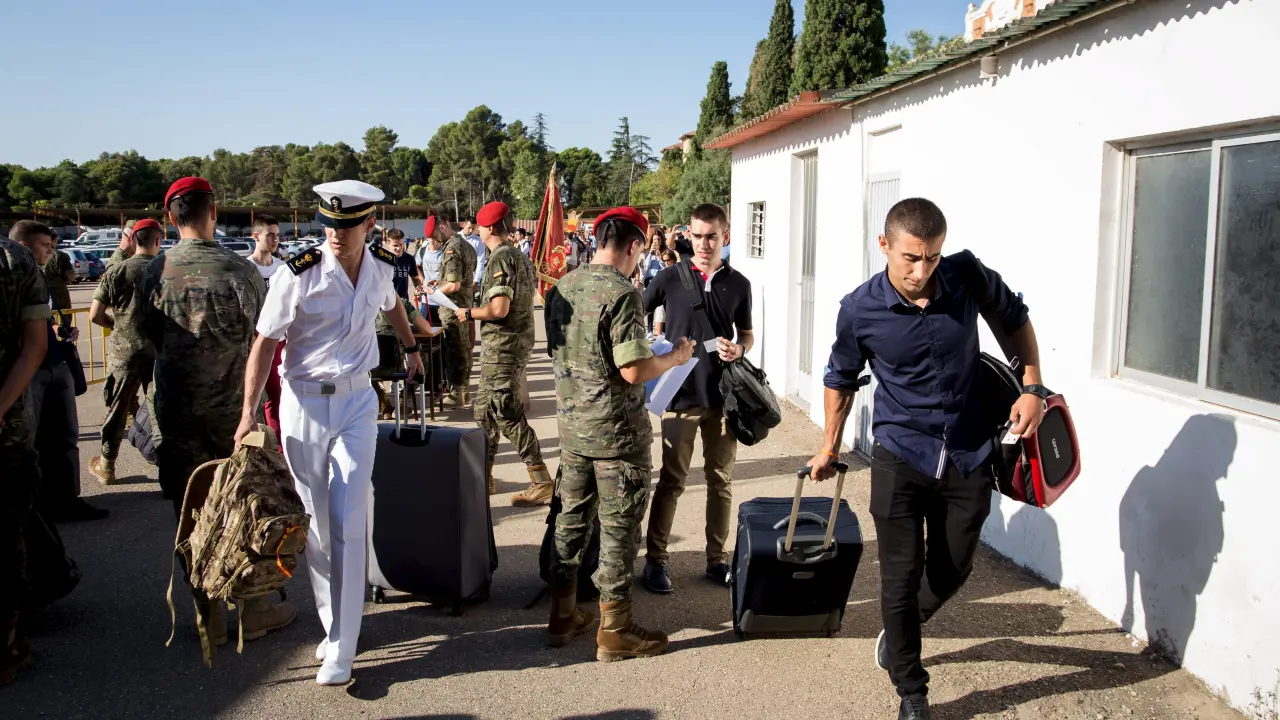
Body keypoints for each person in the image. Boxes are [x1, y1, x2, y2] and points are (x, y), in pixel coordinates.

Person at [807, 198, 1046, 720]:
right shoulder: (859, 308)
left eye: (932, 257)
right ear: (885, 245)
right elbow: (839, 379)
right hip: (900, 452)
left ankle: (901, 630)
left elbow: (1015, 320)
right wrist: (829, 445)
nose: (922, 271)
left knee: (954, 567)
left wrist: (1033, 388)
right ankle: (911, 690)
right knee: (899, 574)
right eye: (911, 258)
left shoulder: (966, 276)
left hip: (968, 451)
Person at [236, 180, 423, 686]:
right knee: (317, 525)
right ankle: (335, 624)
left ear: (369, 224)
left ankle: (342, 645)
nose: (336, 234)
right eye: (329, 225)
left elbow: (392, 304)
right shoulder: (298, 273)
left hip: (357, 402)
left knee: (349, 518)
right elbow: (264, 343)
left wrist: (410, 348)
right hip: (303, 405)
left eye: (347, 225)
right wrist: (248, 413)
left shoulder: (381, 265)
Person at [140, 177, 289, 649]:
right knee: (244, 503)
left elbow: (146, 337)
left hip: (179, 413)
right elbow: (264, 340)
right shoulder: (240, 271)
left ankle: (208, 615)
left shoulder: (155, 270)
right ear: (214, 213)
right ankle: (252, 608)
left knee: (191, 508)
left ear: (171, 218)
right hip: (234, 413)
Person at [544, 206, 695, 661]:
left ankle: (562, 615)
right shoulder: (623, 294)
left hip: (573, 432)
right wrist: (675, 358)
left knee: (570, 522)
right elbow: (633, 370)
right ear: (633, 246)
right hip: (616, 438)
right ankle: (616, 630)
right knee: (618, 530)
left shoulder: (563, 286)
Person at [641, 203, 753, 593]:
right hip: (678, 395)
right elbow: (633, 312)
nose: (704, 244)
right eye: (698, 236)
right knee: (672, 480)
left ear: (726, 236)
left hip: (723, 398)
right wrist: (649, 354)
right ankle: (655, 561)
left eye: (712, 236)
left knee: (720, 481)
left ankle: (717, 560)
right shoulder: (669, 277)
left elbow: (747, 333)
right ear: (688, 235)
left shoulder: (739, 284)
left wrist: (740, 349)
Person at [11, 221, 108, 522]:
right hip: (28, 369)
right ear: (23, 246)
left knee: (65, 436)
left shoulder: (38, 276)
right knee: (30, 443)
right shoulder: (10, 280)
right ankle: (33, 509)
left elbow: (41, 318)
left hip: (55, 362)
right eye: (44, 246)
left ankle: (67, 499)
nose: (50, 251)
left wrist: (57, 329)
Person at [455, 201, 550, 503]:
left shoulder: (501, 257)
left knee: (505, 412)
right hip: (504, 347)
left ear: (489, 228)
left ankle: (541, 480)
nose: (477, 231)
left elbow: (498, 309)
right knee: (484, 411)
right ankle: (483, 478)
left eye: (479, 226)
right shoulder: (517, 256)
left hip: (504, 348)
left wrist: (469, 313)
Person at [0, 232, 50, 685]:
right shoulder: (14, 258)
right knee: (7, 526)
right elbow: (34, 346)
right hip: (8, 422)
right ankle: (7, 643)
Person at [87, 218, 161, 484]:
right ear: (158, 241)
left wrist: (117, 326)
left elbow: (95, 315)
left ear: (133, 240)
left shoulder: (117, 270)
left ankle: (107, 465)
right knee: (159, 409)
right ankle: (167, 467)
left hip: (124, 353)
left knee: (117, 410)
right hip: (158, 352)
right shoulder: (167, 270)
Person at [246, 214, 288, 441]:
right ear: (256, 236)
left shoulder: (283, 268)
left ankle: (278, 445)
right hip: (251, 342)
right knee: (250, 399)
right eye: (270, 235)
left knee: (278, 396)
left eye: (277, 235)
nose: (275, 240)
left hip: (278, 342)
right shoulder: (245, 268)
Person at [430, 217, 479, 407]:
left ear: (443, 227)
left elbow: (453, 284)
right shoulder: (466, 245)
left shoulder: (452, 248)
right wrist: (440, 282)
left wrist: (434, 292)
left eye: (435, 235)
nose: (434, 240)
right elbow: (465, 277)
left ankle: (457, 392)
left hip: (453, 307)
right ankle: (464, 391)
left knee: (455, 349)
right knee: (465, 348)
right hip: (465, 305)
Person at [383, 228, 422, 301]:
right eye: (395, 245)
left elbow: (415, 279)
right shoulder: (382, 259)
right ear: (388, 243)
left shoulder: (409, 259)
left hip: (403, 300)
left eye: (401, 244)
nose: (399, 248)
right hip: (385, 302)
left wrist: (418, 287)